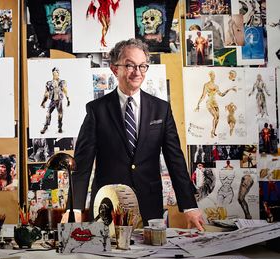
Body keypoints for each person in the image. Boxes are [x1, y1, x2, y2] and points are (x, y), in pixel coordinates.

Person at [72, 38, 204, 230]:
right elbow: (82, 164)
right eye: (130, 65)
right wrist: (75, 208)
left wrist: (189, 205)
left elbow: (175, 159)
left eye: (142, 66)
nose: (137, 72)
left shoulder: (161, 109)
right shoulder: (97, 110)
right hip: (107, 204)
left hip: (149, 205)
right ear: (114, 69)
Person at [195, 71, 236, 138]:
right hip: (209, 103)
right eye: (212, 75)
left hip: (215, 103)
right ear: (210, 76)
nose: (213, 77)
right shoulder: (206, 85)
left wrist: (229, 89)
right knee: (215, 117)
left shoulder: (216, 86)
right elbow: (203, 95)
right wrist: (198, 104)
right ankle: (213, 131)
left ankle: (213, 131)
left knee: (218, 118)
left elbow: (221, 94)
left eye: (214, 75)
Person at [40, 67, 70, 134]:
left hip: (59, 100)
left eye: (57, 72)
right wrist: (43, 102)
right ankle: (46, 126)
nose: (55, 73)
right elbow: (46, 93)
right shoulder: (49, 83)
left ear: (58, 73)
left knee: (60, 114)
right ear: (52, 73)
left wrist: (68, 99)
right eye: (54, 72)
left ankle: (60, 127)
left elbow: (65, 91)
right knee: (48, 113)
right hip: (52, 101)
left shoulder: (62, 82)